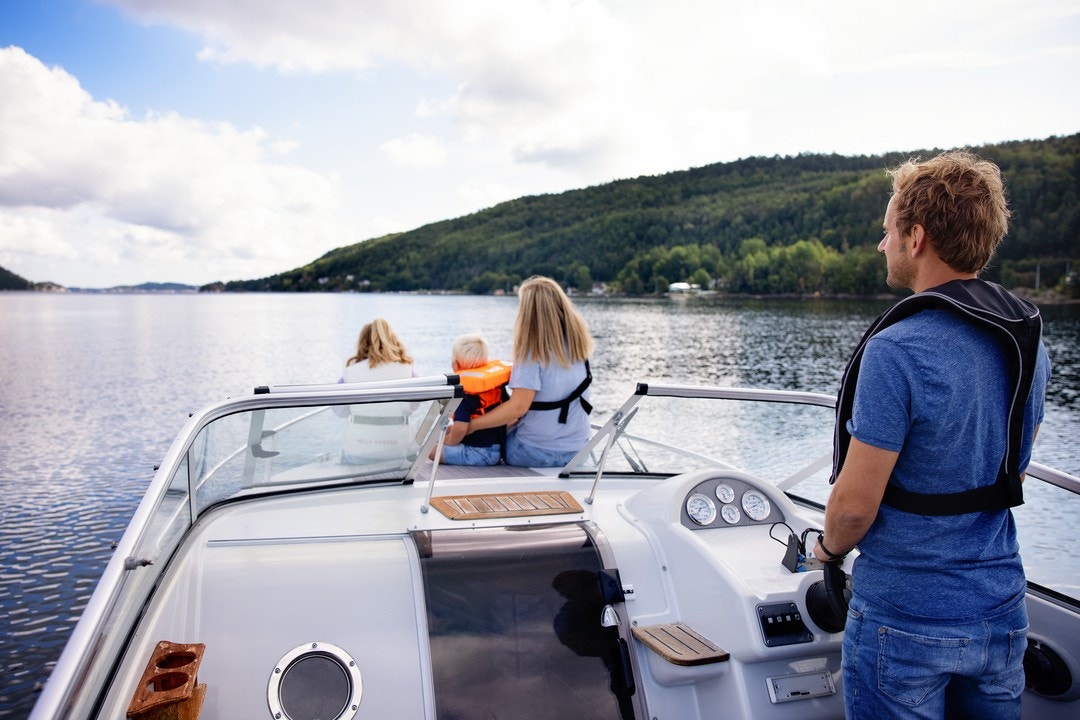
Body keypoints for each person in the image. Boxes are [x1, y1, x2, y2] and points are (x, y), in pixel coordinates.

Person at [814, 151, 1051, 719]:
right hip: (1000, 608)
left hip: (906, 618)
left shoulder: (897, 350)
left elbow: (852, 511)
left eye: (888, 229)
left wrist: (825, 551)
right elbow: (1012, 468)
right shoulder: (1027, 340)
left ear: (915, 237)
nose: (882, 244)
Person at [467, 276, 596, 467]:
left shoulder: (531, 353)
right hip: (578, 452)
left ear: (529, 314)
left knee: (485, 439)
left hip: (533, 453)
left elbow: (518, 408)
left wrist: (471, 426)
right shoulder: (580, 349)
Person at [339, 317, 417, 463]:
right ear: (392, 339)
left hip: (359, 450)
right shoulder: (408, 371)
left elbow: (340, 412)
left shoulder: (350, 372)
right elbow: (413, 407)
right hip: (399, 449)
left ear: (362, 342)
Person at [431, 333, 511, 466]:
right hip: (498, 450)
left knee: (432, 451)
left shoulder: (465, 392)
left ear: (455, 365)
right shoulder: (496, 387)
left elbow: (461, 428)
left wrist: (450, 441)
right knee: (448, 430)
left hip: (478, 453)